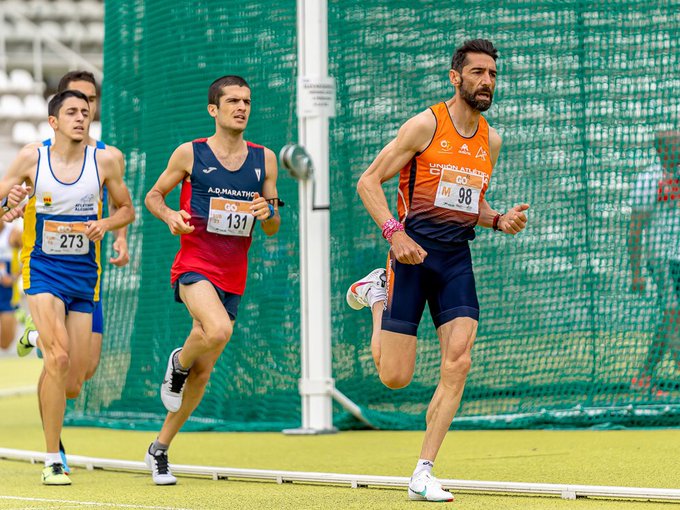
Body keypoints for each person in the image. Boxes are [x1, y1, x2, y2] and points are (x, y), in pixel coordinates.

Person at [345, 39, 529, 502]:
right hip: (410, 257)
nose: (486, 81)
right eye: (478, 73)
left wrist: (499, 219)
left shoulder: (492, 140)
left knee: (459, 362)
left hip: (454, 262)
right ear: (456, 77)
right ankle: (377, 295)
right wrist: (395, 233)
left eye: (492, 74)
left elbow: (469, 201)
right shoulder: (425, 125)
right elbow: (368, 181)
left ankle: (423, 470)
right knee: (395, 377)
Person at [143, 75, 281, 485]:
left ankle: (159, 449)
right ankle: (177, 361)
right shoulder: (191, 153)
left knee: (203, 373)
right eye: (233, 101)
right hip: (195, 262)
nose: (242, 107)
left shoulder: (265, 159)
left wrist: (266, 214)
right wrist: (171, 217)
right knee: (217, 329)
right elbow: (154, 195)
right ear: (214, 109)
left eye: (247, 101)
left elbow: (273, 224)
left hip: (233, 273)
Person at [0, 89, 135, 485]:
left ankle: (37, 337)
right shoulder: (31, 158)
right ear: (53, 122)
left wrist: (106, 226)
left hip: (83, 275)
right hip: (43, 269)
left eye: (86, 111)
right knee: (57, 361)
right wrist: (9, 199)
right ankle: (51, 459)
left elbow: (126, 208)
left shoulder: (105, 161)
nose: (81, 117)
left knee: (73, 382)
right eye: (72, 112)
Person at [628, 130, 680, 397]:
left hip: (678, 258)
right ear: (661, 149)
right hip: (660, 258)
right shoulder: (649, 179)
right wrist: (636, 272)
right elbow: (635, 227)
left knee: (669, 319)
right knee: (673, 315)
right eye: (675, 145)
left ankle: (644, 376)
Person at [0, 220, 22, 350]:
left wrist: (14, 277)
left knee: (5, 343)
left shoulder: (13, 233)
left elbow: (32, 254)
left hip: (7, 295)